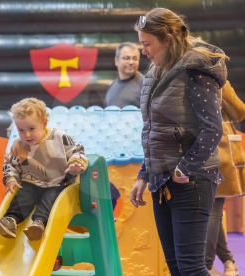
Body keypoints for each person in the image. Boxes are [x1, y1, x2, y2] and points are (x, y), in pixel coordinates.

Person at [129, 8, 228, 275]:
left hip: (191, 181)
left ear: (169, 38)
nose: (144, 51)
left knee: (191, 268)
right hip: (161, 179)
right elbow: (153, 130)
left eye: (148, 44)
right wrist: (144, 174)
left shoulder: (195, 70)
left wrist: (185, 167)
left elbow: (212, 128)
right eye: (142, 44)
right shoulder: (155, 70)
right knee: (175, 266)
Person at [0, 98, 88, 241]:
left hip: (58, 182)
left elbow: (77, 151)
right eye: (21, 130)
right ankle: (10, 221)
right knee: (22, 196)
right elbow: (10, 163)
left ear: (44, 123)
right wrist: (11, 178)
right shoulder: (19, 144)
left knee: (51, 198)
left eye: (31, 129)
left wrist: (76, 163)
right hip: (32, 182)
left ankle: (39, 224)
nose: (27, 135)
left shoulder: (59, 137)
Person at [206, 80, 243, 276]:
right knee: (213, 209)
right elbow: (239, 111)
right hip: (215, 151)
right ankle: (206, 265)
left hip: (194, 152)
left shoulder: (178, 73)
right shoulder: (216, 79)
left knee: (214, 210)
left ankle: (225, 261)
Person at [104, 42, 144, 108]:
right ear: (116, 60)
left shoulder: (146, 84)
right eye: (126, 58)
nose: (131, 62)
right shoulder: (112, 86)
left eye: (135, 59)